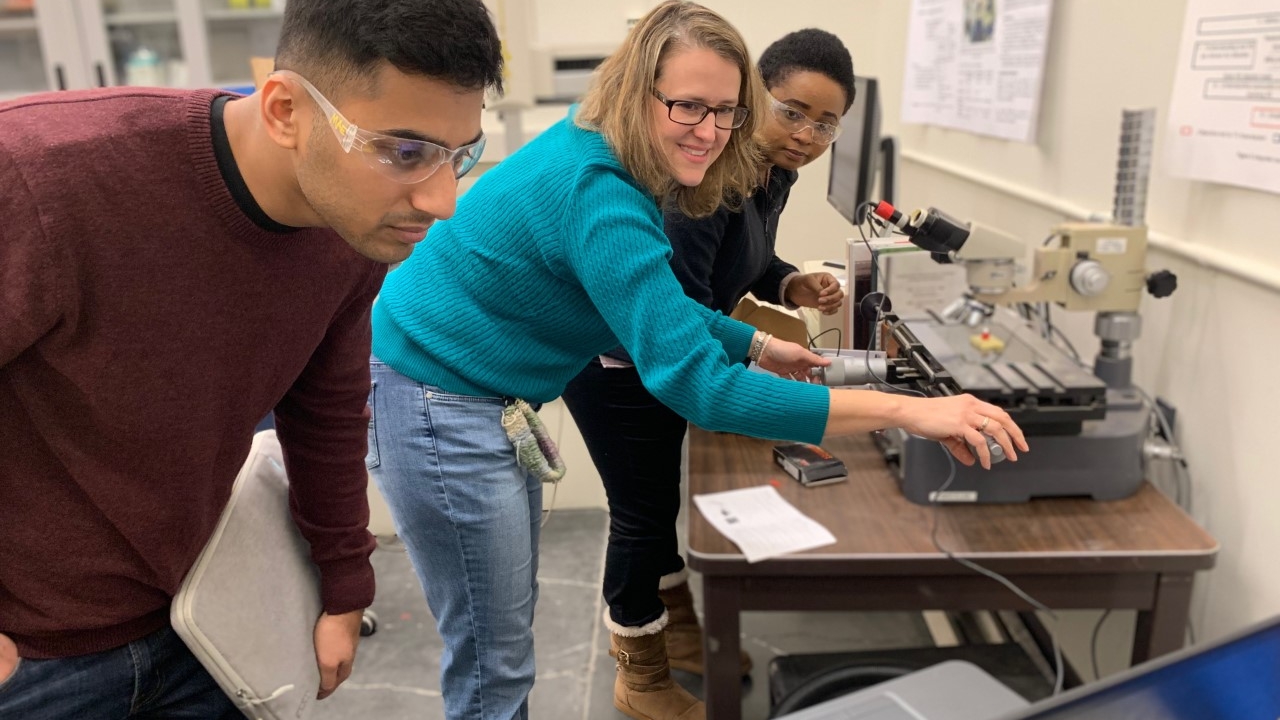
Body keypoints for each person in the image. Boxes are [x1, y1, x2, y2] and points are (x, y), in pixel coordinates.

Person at [367, 3, 1027, 719]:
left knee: (503, 636)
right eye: (687, 105)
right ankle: (636, 670)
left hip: (480, 391)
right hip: (435, 395)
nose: (710, 131)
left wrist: (759, 343)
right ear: (636, 88)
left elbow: (660, 300)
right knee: (493, 664)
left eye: (726, 111)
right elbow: (699, 387)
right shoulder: (604, 191)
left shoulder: (618, 156)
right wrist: (910, 410)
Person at [0, 1, 502, 717]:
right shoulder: (40, 175)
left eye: (460, 154)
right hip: (34, 659)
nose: (442, 199)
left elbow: (325, 410)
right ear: (284, 109)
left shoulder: (353, 223)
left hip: (203, 617)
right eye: (405, 150)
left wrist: (343, 585)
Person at [559, 27, 858, 696]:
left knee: (657, 498)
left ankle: (679, 624)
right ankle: (641, 675)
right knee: (640, 511)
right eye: (792, 111)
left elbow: (740, 262)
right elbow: (680, 304)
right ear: (756, 97)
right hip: (618, 362)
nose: (806, 134)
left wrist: (788, 282)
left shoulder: (769, 173)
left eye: (825, 122)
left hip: (658, 342)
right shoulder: (706, 182)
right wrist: (754, 363)